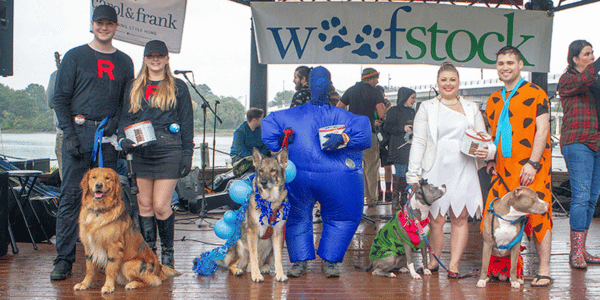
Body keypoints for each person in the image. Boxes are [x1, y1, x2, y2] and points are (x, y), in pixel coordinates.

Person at [261, 66, 372, 278]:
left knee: (328, 216)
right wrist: (281, 140)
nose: (320, 86)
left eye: (323, 82)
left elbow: (364, 133)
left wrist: (344, 138)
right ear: (310, 85)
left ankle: (327, 260)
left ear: (329, 85)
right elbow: (270, 128)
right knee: (302, 215)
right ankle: (306, 260)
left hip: (319, 179)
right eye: (317, 82)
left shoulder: (335, 116)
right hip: (315, 178)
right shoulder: (300, 116)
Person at [50, 5, 134, 281]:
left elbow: (126, 102)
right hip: (78, 133)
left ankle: (103, 259)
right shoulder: (75, 56)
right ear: (92, 24)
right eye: (99, 23)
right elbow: (60, 99)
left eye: (109, 23)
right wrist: (69, 134)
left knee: (107, 200)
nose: (104, 27)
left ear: (116, 26)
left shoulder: (124, 61)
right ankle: (63, 259)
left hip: (107, 138)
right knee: (72, 198)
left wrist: (117, 124)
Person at [407, 62, 490, 276]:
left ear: (459, 82)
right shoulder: (427, 107)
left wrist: (488, 153)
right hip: (435, 167)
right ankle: (435, 261)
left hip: (464, 166)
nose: (448, 83)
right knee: (436, 219)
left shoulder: (472, 107)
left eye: (452, 79)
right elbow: (419, 141)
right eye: (443, 79)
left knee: (460, 217)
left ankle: (453, 264)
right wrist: (413, 175)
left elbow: (484, 138)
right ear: (437, 82)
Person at [118, 40, 194, 269]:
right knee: (144, 205)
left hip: (169, 149)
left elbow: (187, 123)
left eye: (159, 55)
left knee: (161, 206)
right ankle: (149, 254)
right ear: (144, 59)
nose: (155, 59)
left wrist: (187, 154)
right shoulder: (134, 86)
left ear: (167, 58)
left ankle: (168, 254)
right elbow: (124, 118)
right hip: (141, 150)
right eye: (151, 56)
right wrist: (123, 140)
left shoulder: (178, 87)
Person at [483, 46, 553, 287]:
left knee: (539, 214)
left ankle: (544, 269)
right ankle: (499, 268)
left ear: (520, 64)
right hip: (502, 170)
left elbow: (543, 130)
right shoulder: (493, 99)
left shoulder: (537, 93)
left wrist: (533, 163)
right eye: (501, 62)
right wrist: (490, 160)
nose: (505, 67)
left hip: (532, 168)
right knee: (494, 216)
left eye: (510, 62)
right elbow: (493, 134)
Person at [557, 40, 600, 269]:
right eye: (587, 54)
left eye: (593, 53)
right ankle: (575, 252)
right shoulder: (568, 80)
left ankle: (582, 249)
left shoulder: (595, 82)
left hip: (597, 143)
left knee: (592, 197)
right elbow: (585, 78)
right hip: (577, 143)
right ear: (575, 58)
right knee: (581, 197)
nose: (591, 57)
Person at [337, 68, 387, 207]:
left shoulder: (351, 90)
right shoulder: (375, 91)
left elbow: (338, 108)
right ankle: (371, 200)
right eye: (376, 78)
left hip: (351, 135)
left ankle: (353, 197)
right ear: (372, 78)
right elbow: (382, 114)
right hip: (367, 133)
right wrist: (385, 106)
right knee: (371, 166)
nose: (377, 81)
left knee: (353, 166)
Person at [384, 87, 416, 210]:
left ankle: (404, 200)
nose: (413, 101)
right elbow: (387, 127)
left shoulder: (412, 112)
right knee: (400, 173)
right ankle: (396, 200)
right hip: (398, 147)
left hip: (410, 148)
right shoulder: (393, 111)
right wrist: (402, 128)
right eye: (412, 98)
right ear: (405, 97)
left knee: (408, 173)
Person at [375, 85, 393, 201]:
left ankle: (388, 189)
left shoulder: (388, 106)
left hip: (386, 138)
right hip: (375, 138)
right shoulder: (371, 107)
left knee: (387, 166)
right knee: (375, 166)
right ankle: (378, 189)